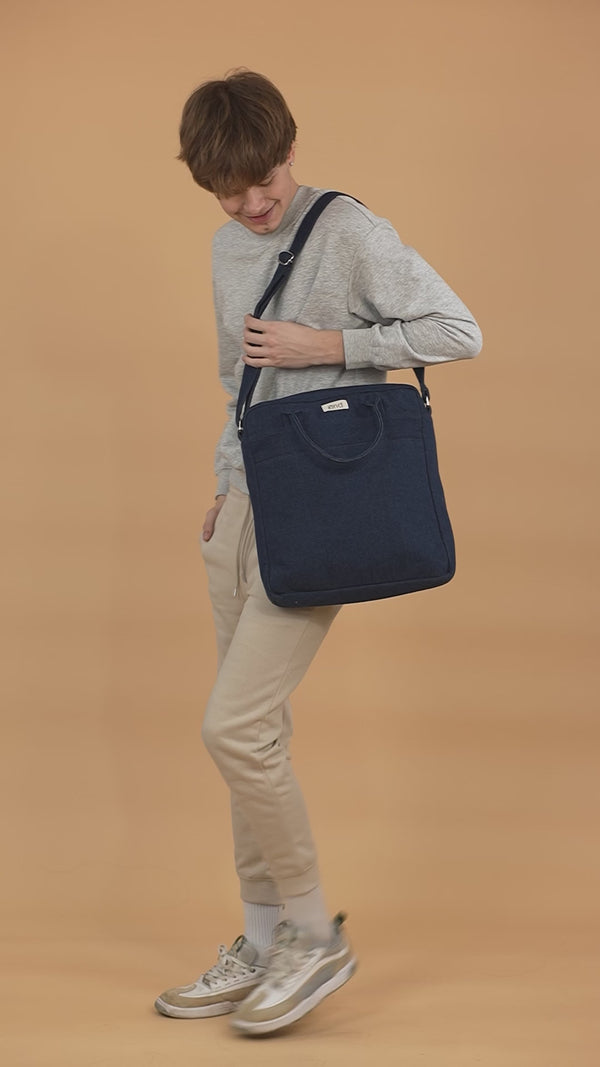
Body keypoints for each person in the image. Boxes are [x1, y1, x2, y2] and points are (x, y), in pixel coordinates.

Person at [155, 70, 482, 1036]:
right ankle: (261, 942)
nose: (252, 206)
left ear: (288, 150)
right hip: (244, 509)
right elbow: (238, 381)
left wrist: (328, 344)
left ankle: (311, 933)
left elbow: (458, 331)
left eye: (263, 182)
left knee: (233, 729)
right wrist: (226, 486)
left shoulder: (348, 231)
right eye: (229, 192)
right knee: (255, 735)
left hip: (324, 508)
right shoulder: (224, 246)